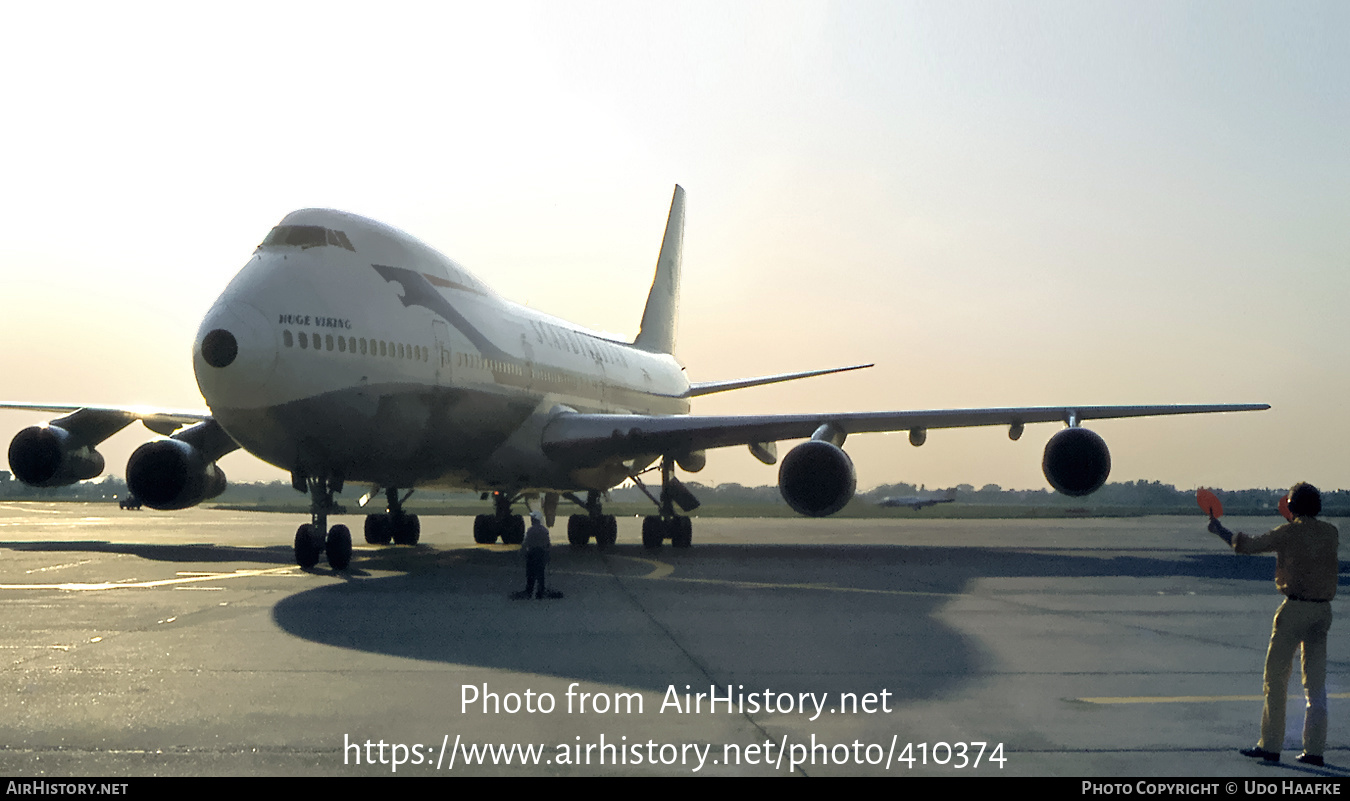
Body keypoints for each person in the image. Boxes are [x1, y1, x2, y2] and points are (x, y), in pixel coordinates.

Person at [1208, 482, 1338, 766]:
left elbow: (1248, 545)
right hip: (1322, 612)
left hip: (1294, 609)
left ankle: (1270, 745)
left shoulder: (1288, 533)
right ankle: (1314, 750)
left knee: (1276, 679)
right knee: (1315, 685)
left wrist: (1219, 530)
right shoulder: (1331, 532)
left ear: (1291, 507)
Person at [521, 512, 551, 600]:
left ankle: (529, 592)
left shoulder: (531, 530)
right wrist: (548, 556)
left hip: (532, 553)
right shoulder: (544, 530)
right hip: (541, 553)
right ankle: (540, 593)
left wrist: (523, 553)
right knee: (541, 574)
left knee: (530, 574)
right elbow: (548, 544)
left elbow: (526, 543)